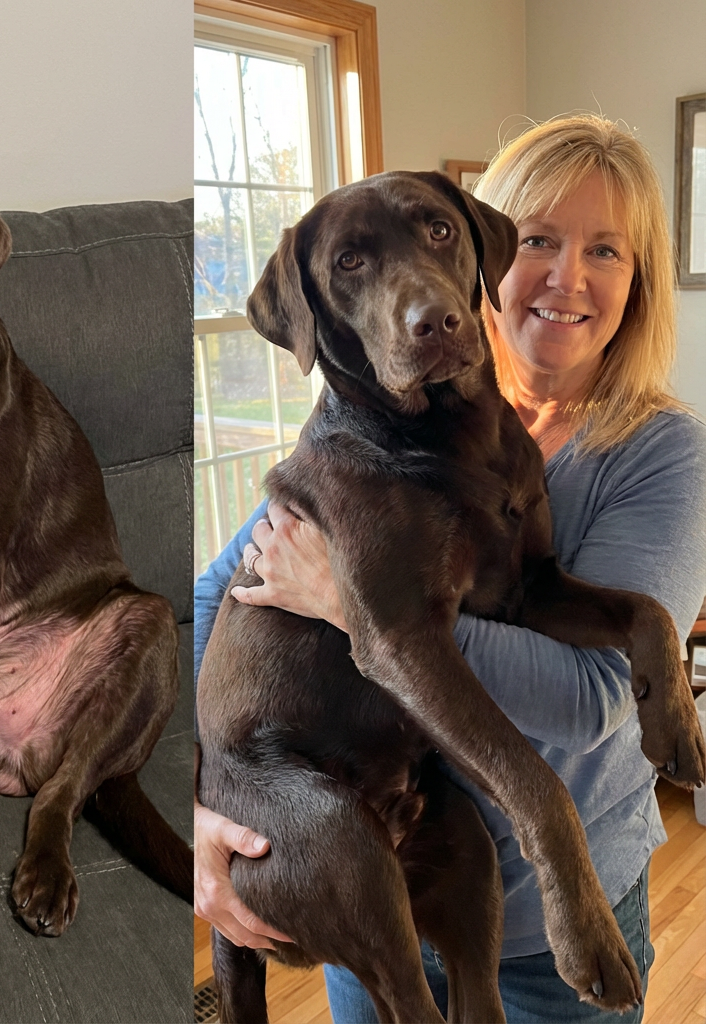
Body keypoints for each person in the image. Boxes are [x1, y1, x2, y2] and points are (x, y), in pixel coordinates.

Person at [193, 114, 706, 1023]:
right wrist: (201, 806)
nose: (567, 276)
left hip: (537, 910)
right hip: (340, 849)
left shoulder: (659, 451)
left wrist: (350, 608)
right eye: (541, 240)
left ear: (471, 248)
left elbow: (589, 701)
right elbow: (209, 594)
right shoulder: (359, 457)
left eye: (606, 251)